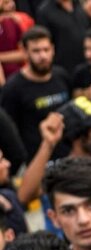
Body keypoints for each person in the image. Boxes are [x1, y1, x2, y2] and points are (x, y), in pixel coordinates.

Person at [0, 25, 71, 159]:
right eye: (36, 51)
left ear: (53, 49)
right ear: (25, 52)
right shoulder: (13, 88)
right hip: (34, 161)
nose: (42, 56)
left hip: (65, 157)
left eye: (46, 50)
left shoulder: (62, 76)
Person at [36, 0, 91, 72]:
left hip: (85, 65)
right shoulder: (44, 11)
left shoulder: (79, 6)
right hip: (62, 68)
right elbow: (43, 41)